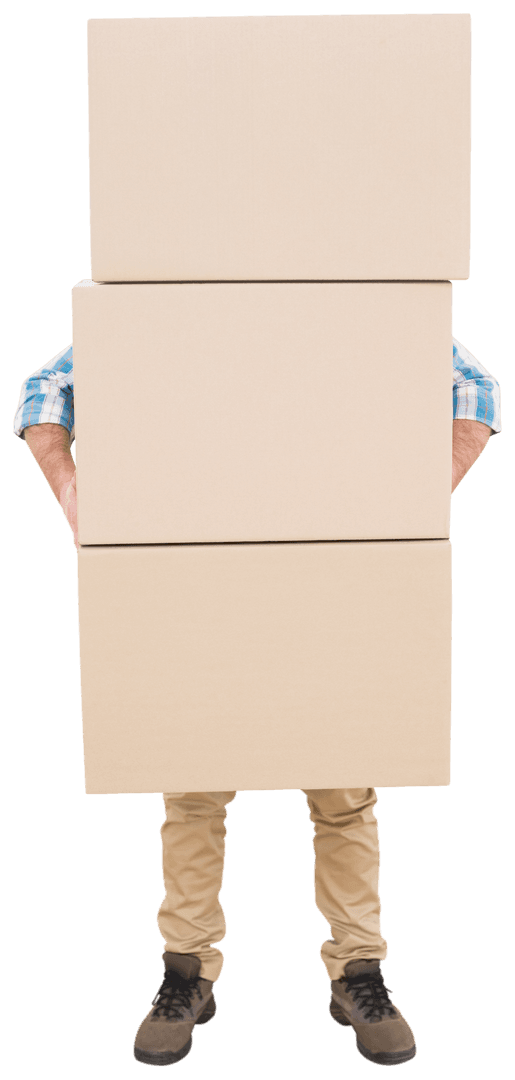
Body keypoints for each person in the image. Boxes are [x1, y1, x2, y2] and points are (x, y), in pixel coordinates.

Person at [13, 335, 501, 1068]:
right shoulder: (168, 303)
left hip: (328, 571)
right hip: (201, 577)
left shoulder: (354, 300)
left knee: (341, 791)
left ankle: (355, 971)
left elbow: (476, 389)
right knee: (194, 790)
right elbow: (43, 390)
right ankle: (187, 972)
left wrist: (416, 501)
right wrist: (73, 491)